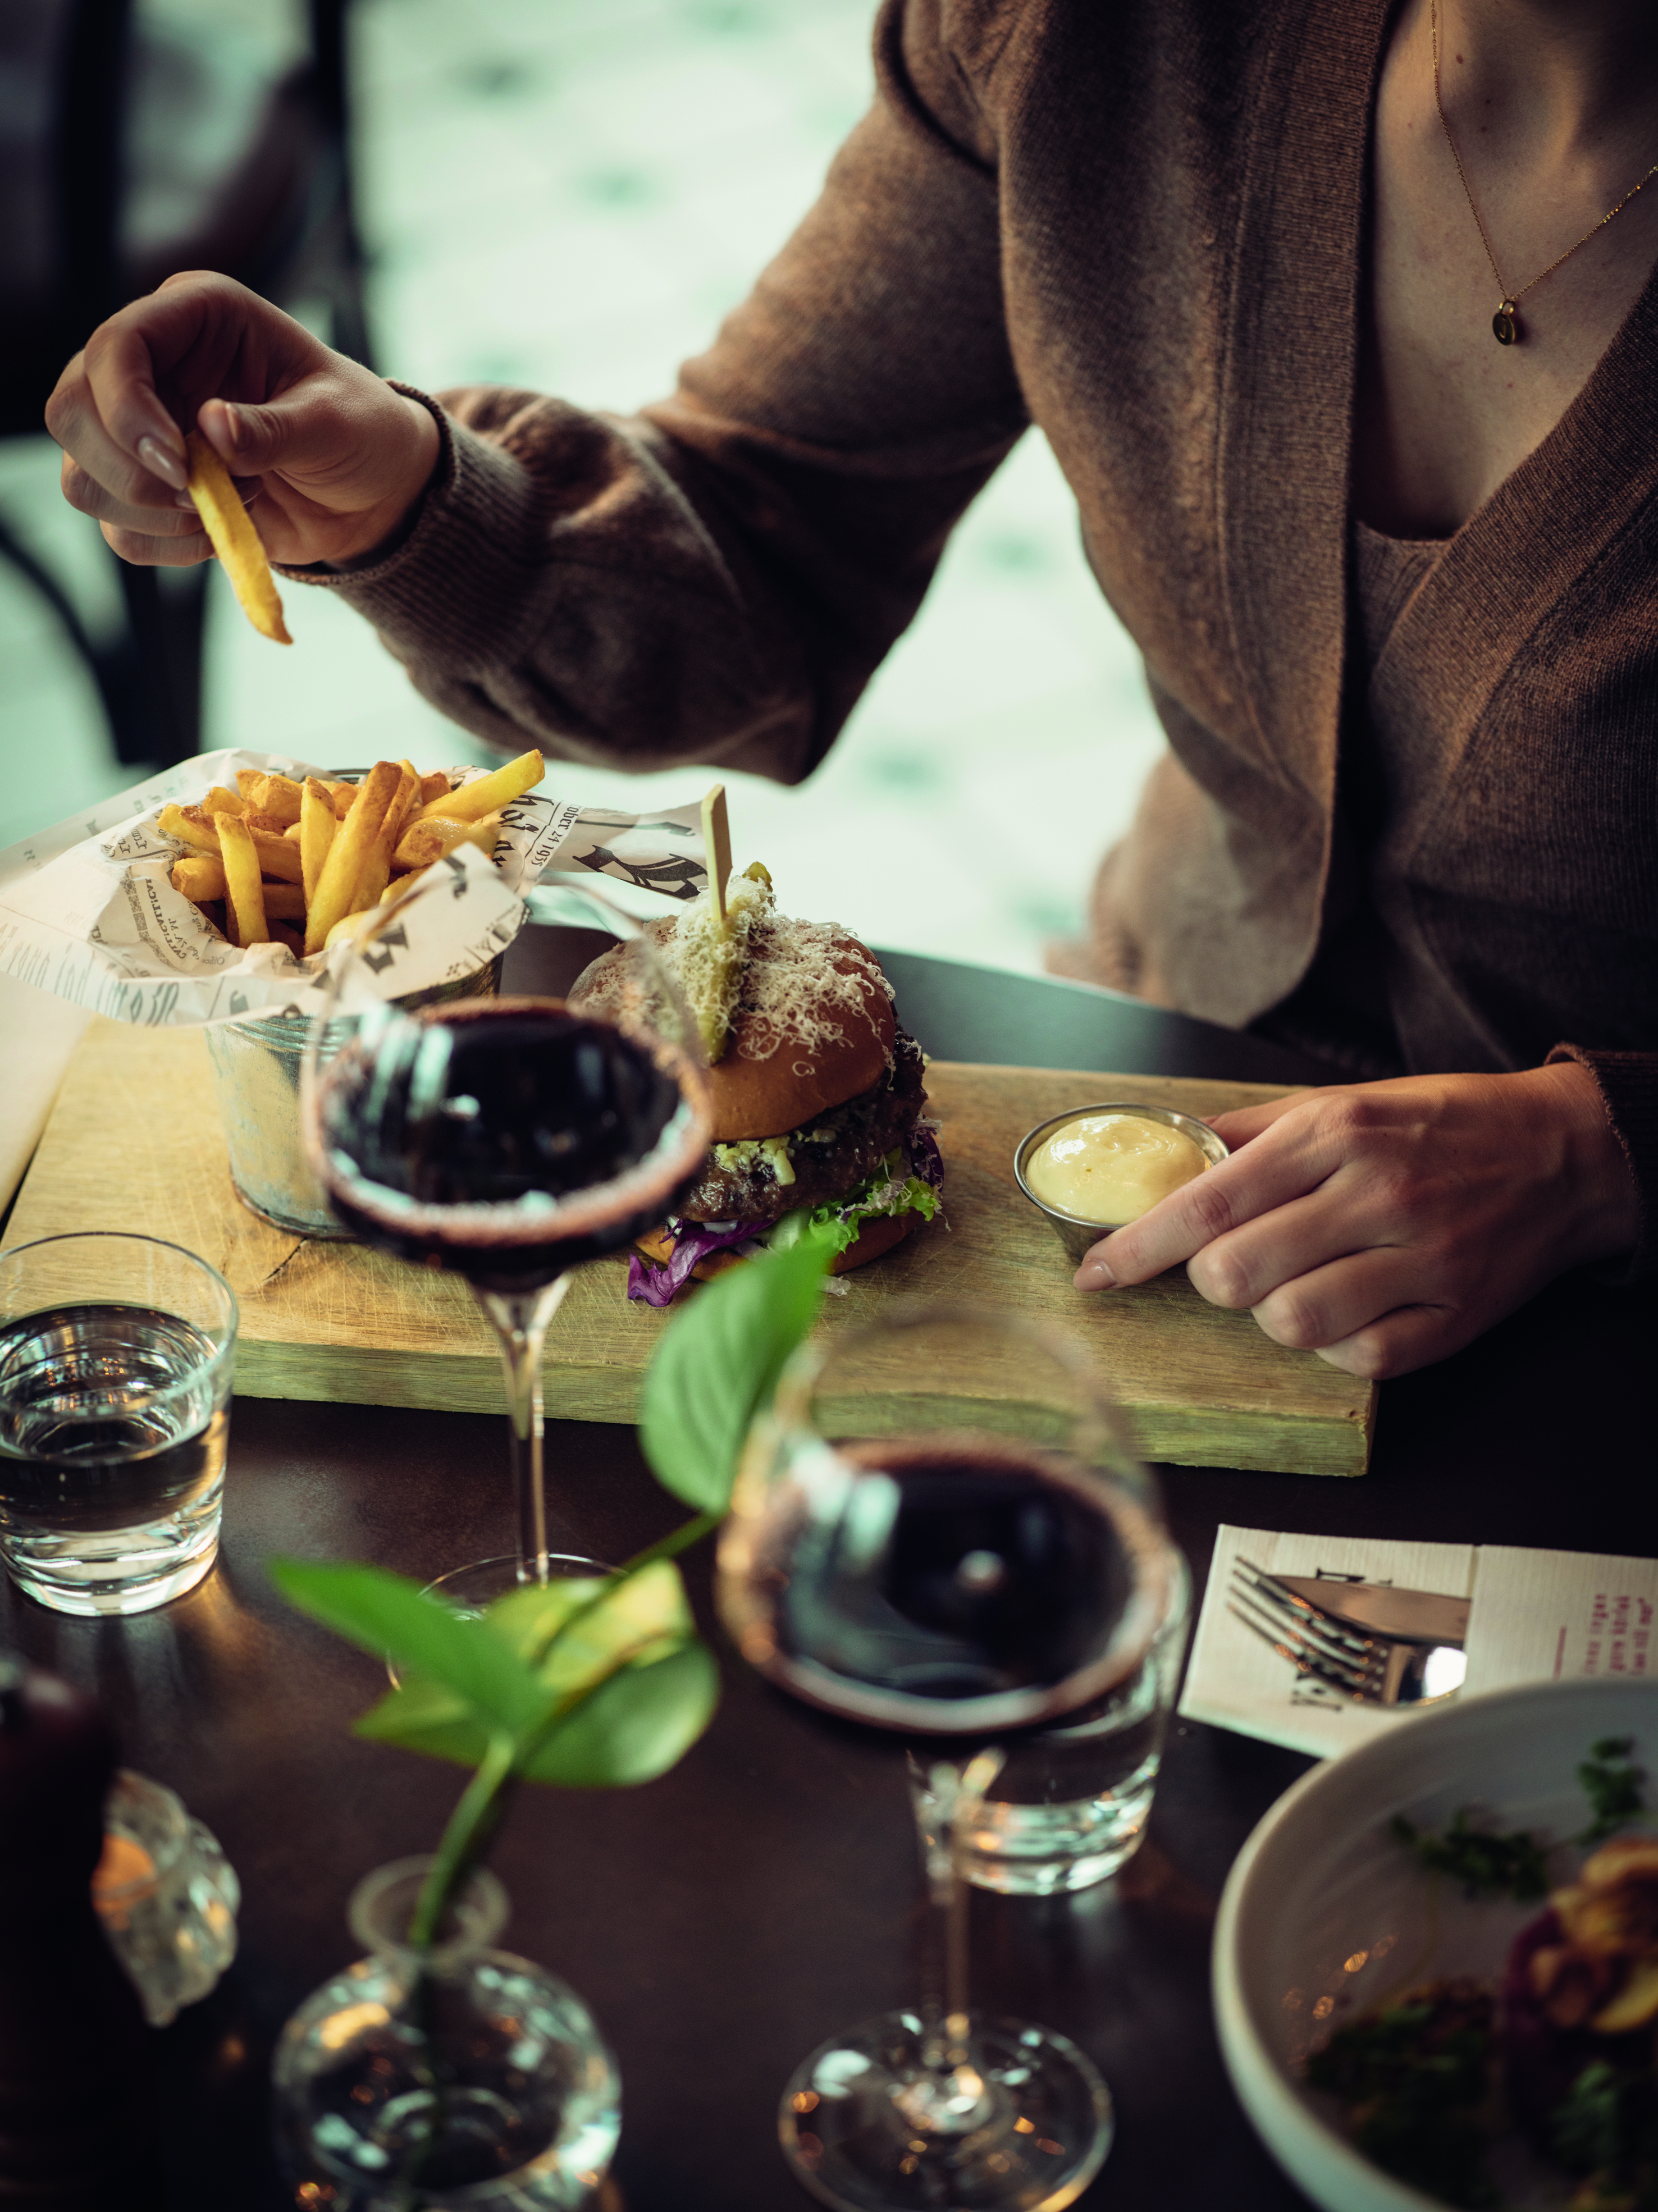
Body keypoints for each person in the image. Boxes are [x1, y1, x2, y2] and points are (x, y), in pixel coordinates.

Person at [44, 0, 1658, 1382]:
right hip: (1146, 1093)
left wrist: (1604, 1154)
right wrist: (417, 495)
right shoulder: (1111, 38)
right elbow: (768, 550)